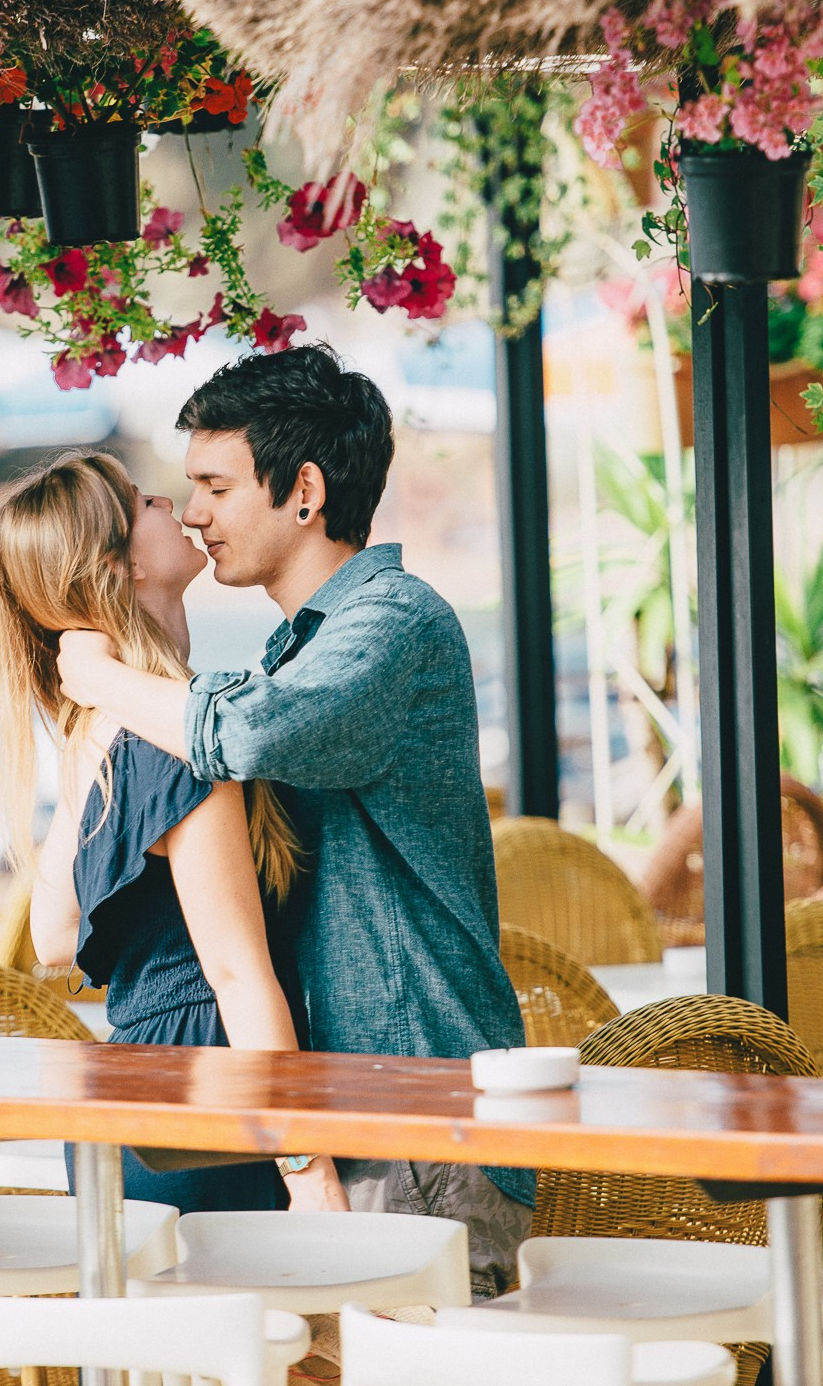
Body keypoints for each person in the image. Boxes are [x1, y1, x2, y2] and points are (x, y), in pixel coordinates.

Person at [56, 344, 532, 1293]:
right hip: (349, 1106)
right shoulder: (295, 650)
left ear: (304, 489)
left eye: (214, 485)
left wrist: (99, 679)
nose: (193, 514)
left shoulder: (393, 622)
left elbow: (242, 735)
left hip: (413, 1108)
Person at [0, 449, 341, 1213]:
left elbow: (52, 934)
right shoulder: (176, 742)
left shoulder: (99, 734)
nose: (172, 503)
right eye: (144, 501)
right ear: (119, 567)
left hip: (135, 1098)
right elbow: (238, 973)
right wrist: (309, 1170)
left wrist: (98, 699)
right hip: (208, 1096)